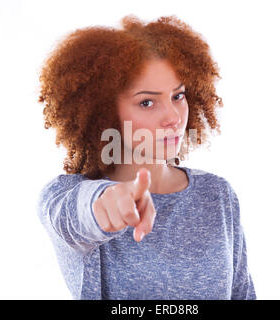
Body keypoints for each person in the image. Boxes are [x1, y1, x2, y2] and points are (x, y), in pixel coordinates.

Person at [37, 14, 256, 300]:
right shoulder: (67, 195)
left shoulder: (218, 194)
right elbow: (77, 215)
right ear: (104, 113)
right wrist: (107, 203)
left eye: (178, 96)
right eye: (147, 102)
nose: (173, 117)